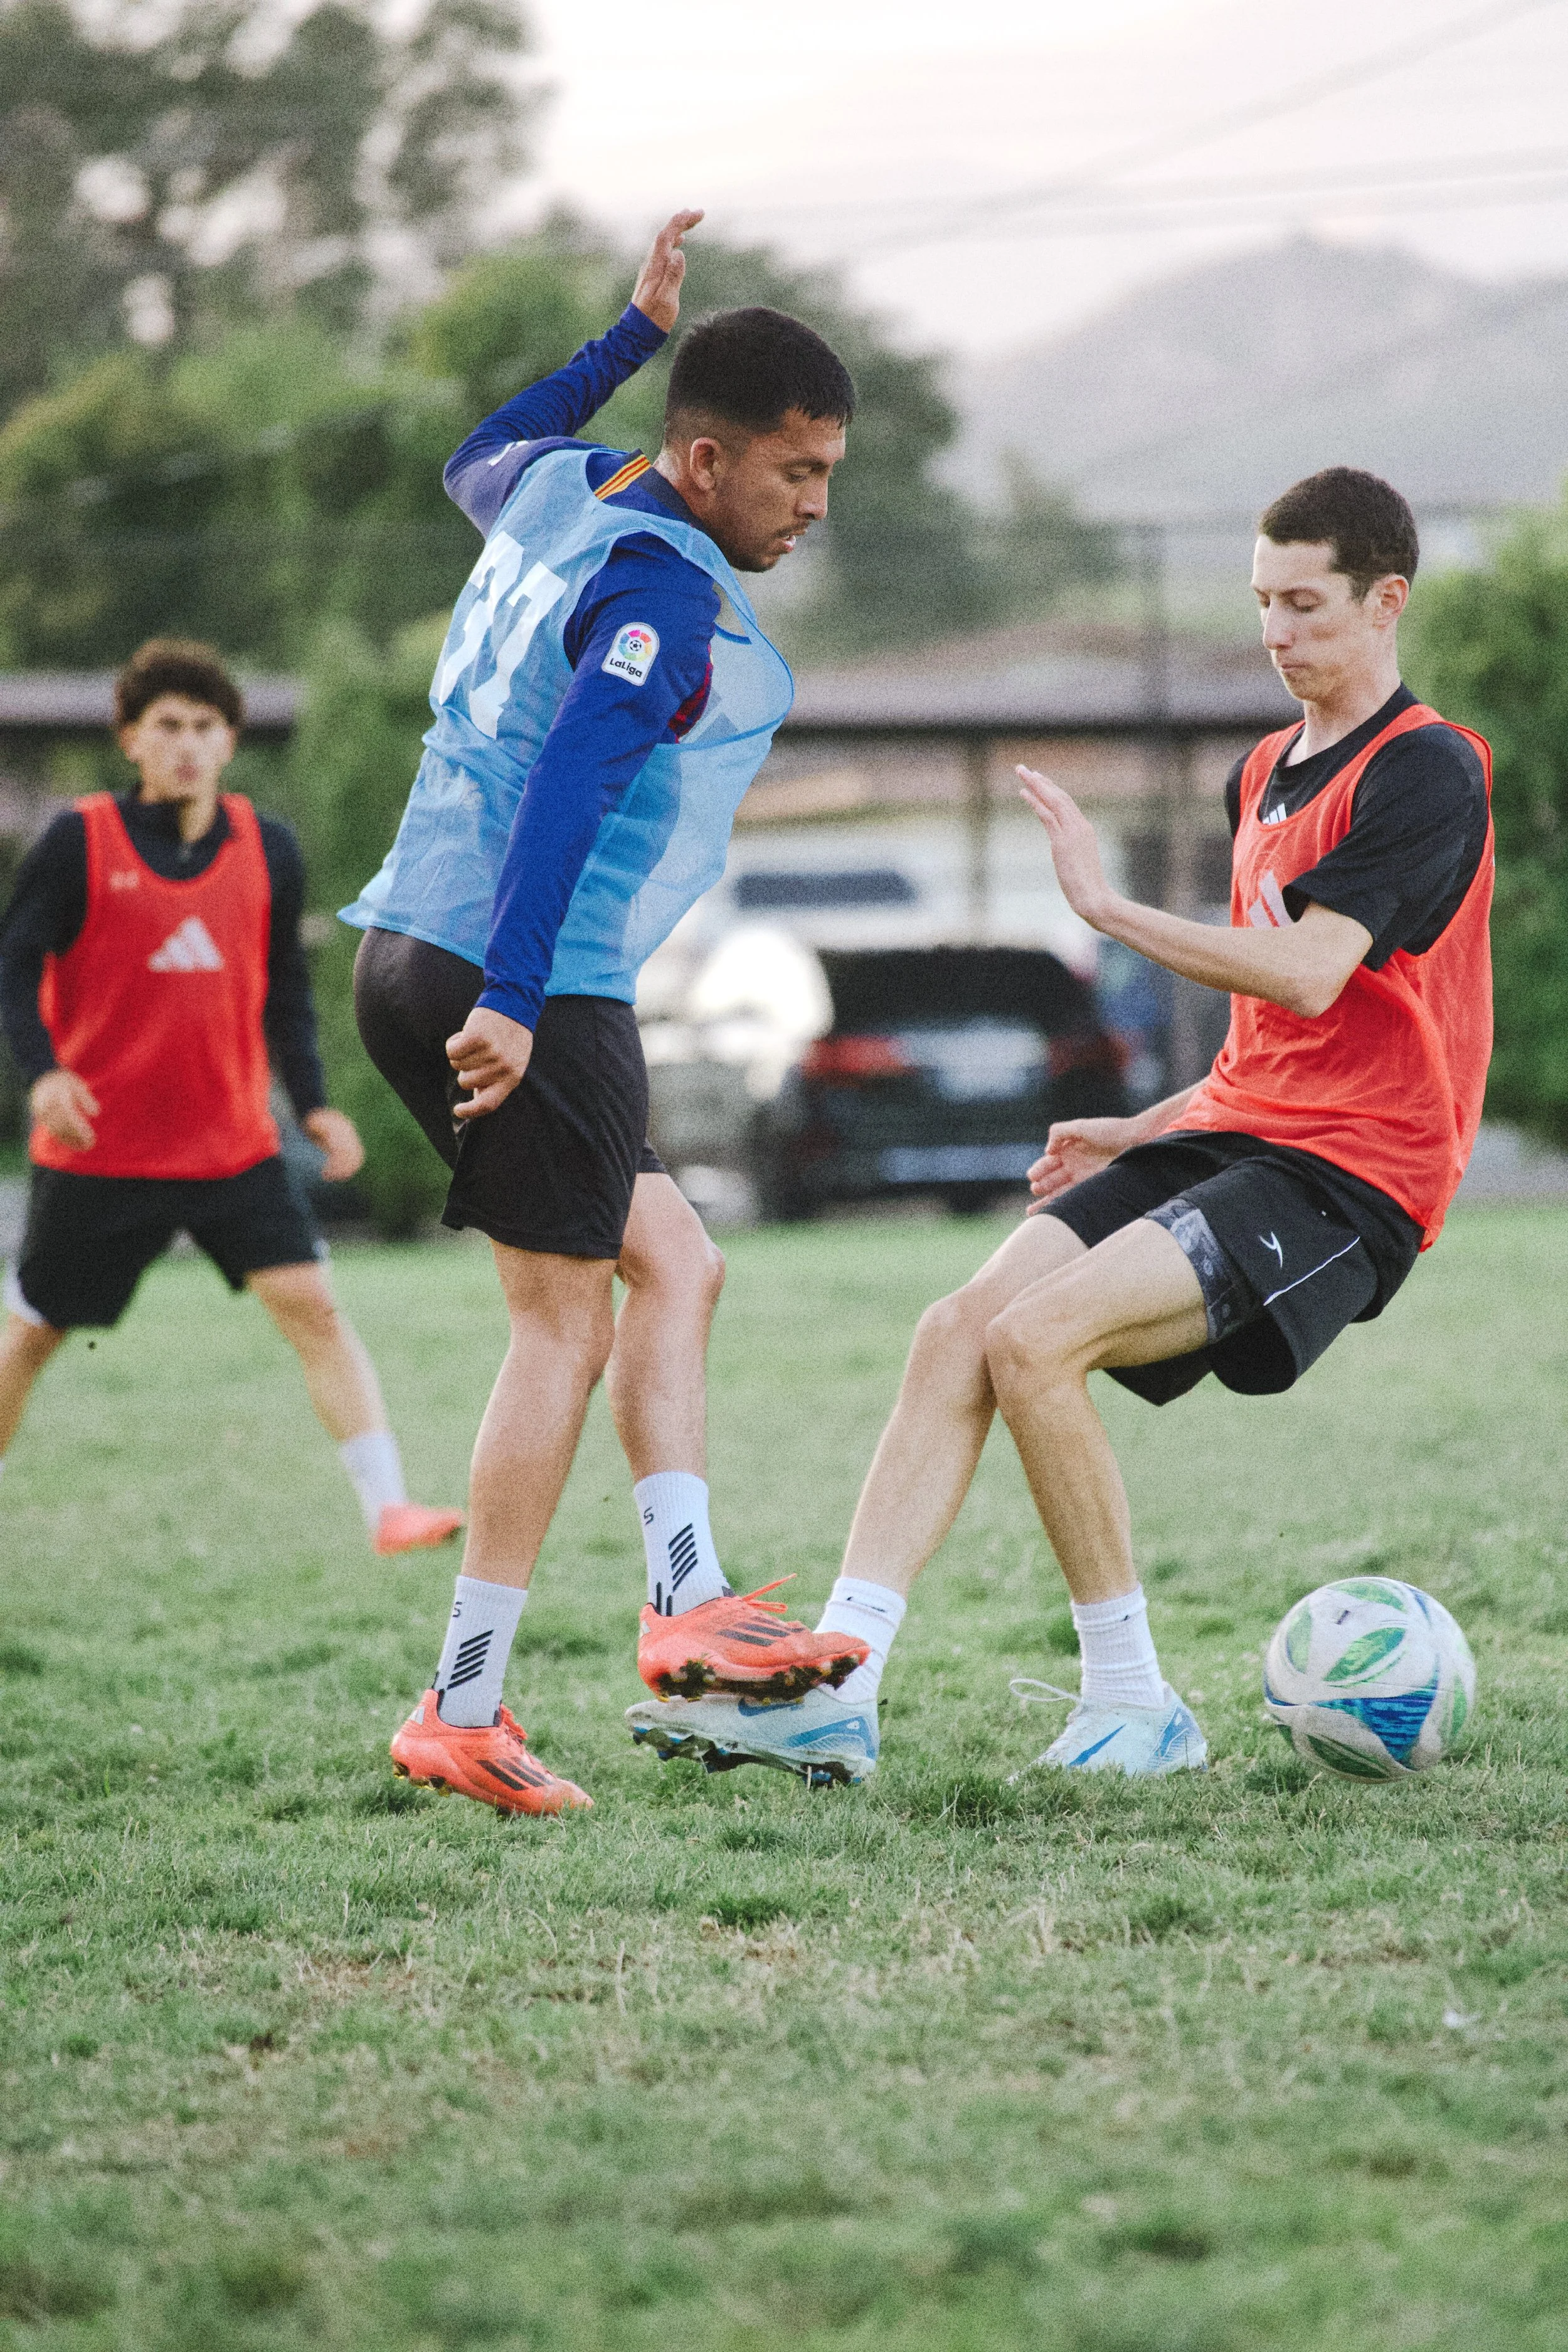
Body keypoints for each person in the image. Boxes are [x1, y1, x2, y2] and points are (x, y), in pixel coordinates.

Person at [628, 466, 1494, 1786]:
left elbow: (1317, 972)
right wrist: (1144, 1127)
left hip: (1347, 1179)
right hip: (1235, 1134)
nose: (1276, 633)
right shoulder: (1259, 770)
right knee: (955, 1332)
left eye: (1306, 605)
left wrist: (1103, 908)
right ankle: (836, 1689)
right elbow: (1275, 1042)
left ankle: (1133, 1702)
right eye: (1261, 603)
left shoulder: (1428, 769)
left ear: (1387, 602)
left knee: (1035, 1345)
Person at [342, 209, 869, 1818]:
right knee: (562, 1326)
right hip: (526, 973)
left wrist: (627, 337)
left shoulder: (568, 494)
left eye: (827, 474)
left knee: (677, 1265)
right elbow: (575, 772)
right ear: (706, 463)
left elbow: (480, 450)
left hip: (420, 942)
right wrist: (511, 998)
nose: (811, 505)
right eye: (794, 474)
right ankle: (469, 1703)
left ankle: (681, 1597)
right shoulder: (654, 582)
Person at [0, 638, 464, 1558]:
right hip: (102, 1152)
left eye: (205, 727)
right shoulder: (76, 840)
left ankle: (389, 1509)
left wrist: (318, 1103)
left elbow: (283, 988)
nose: (186, 744)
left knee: (315, 1306)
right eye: (166, 725)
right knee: (35, 1336)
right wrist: (45, 1073)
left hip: (233, 1146)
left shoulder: (268, 846)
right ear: (130, 738)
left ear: (230, 741)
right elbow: (14, 971)